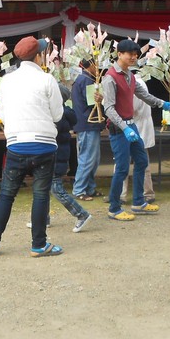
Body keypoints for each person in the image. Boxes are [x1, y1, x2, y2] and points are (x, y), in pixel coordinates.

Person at [0, 35, 64, 258]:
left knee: (6, 194)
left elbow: (2, 115)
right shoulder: (47, 79)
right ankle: (39, 245)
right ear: (39, 56)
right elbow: (58, 115)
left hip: (17, 145)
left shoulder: (6, 80)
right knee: (40, 195)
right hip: (45, 145)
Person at [102, 39, 170, 221]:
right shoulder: (110, 77)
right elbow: (108, 108)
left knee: (142, 161)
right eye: (130, 54)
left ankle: (138, 202)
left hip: (131, 124)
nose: (134, 57)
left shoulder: (130, 76)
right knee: (122, 168)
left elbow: (144, 95)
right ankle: (114, 208)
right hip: (119, 128)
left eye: (135, 54)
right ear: (119, 54)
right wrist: (124, 128)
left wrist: (163, 104)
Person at [52, 84, 92, 232]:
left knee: (56, 189)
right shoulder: (64, 112)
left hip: (55, 156)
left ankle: (81, 214)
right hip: (57, 155)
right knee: (42, 187)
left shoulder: (58, 115)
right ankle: (42, 218)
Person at [71, 59, 105, 201]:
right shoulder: (86, 80)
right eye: (95, 64)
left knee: (92, 158)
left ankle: (89, 187)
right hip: (88, 123)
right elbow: (92, 102)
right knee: (88, 157)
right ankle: (79, 189)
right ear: (90, 65)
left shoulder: (82, 79)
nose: (97, 67)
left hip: (87, 123)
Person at [120, 73, 156, 206]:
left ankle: (121, 194)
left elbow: (129, 108)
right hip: (138, 127)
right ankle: (148, 193)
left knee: (123, 162)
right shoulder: (140, 82)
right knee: (142, 162)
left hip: (134, 127)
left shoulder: (134, 84)